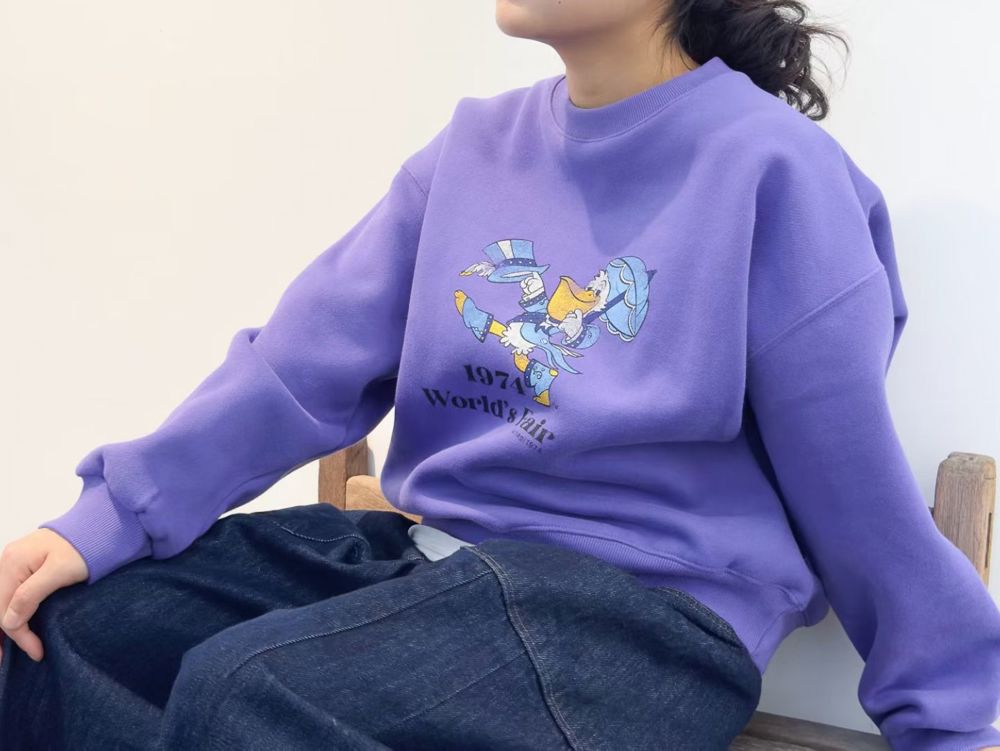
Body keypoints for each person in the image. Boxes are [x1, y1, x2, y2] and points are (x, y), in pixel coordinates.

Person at [2, 1, 1000, 749]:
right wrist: (104, 518)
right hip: (433, 563)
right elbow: (296, 369)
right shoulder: (472, 150)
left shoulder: (775, 171)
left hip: (645, 623)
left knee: (248, 693)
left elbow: (851, 486)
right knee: (68, 628)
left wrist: (948, 714)